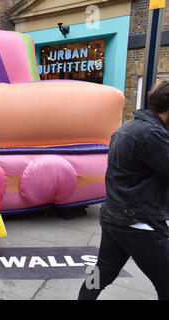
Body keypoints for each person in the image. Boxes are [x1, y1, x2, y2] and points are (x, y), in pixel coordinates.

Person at [78, 80, 169, 300]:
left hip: (115, 216)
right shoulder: (152, 135)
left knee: (101, 275)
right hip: (138, 222)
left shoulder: (127, 128)